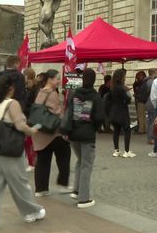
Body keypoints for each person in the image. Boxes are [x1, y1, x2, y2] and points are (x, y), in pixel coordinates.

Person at [0, 74, 45, 232]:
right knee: (19, 183)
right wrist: (32, 130)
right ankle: (31, 212)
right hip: (10, 150)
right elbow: (20, 125)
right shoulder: (12, 104)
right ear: (10, 88)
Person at [61, 68, 105, 209]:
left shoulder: (74, 94)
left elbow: (68, 111)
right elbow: (99, 117)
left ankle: (76, 189)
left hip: (73, 133)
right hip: (87, 134)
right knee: (87, 164)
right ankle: (84, 198)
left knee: (80, 161)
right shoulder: (96, 96)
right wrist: (95, 126)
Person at [32, 69, 72, 197]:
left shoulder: (40, 91)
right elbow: (57, 111)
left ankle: (41, 188)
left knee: (43, 160)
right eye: (57, 78)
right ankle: (63, 184)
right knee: (65, 154)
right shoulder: (52, 93)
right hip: (52, 132)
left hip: (40, 132)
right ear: (50, 79)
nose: (59, 81)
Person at [108, 69, 136, 158]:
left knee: (116, 131)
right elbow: (128, 99)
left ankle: (116, 151)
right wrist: (128, 91)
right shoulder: (121, 88)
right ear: (121, 77)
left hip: (113, 111)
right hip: (122, 111)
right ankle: (126, 151)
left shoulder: (112, 87)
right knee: (127, 130)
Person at [23, 68, 39, 172]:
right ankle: (31, 162)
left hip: (32, 119)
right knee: (27, 142)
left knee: (29, 142)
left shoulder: (35, 90)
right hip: (27, 118)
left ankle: (32, 163)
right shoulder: (28, 89)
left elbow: (34, 105)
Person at [142, 68, 157, 144]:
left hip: (148, 102)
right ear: (154, 73)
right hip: (151, 103)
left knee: (150, 121)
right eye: (156, 73)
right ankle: (151, 138)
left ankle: (150, 137)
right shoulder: (152, 82)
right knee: (152, 121)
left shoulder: (146, 81)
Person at [133, 70, 148, 135]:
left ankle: (141, 129)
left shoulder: (140, 84)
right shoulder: (145, 82)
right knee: (143, 116)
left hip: (140, 100)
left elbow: (139, 92)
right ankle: (144, 128)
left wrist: (136, 95)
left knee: (141, 115)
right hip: (144, 100)